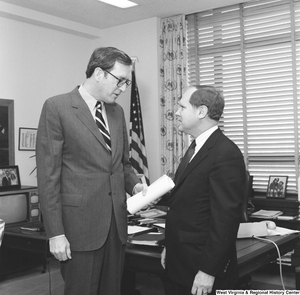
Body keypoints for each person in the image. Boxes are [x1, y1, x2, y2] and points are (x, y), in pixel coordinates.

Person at [36, 47, 147, 295]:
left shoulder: (117, 112)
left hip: (116, 228)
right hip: (79, 229)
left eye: (127, 82)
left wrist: (135, 186)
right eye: (121, 80)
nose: (123, 88)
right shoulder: (57, 107)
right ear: (99, 73)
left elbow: (122, 164)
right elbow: (48, 177)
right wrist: (55, 233)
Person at [161, 85, 246, 295]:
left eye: (182, 107)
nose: (176, 113)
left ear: (201, 112)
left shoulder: (225, 153)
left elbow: (224, 221)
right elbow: (185, 207)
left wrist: (209, 270)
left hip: (201, 268)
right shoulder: (195, 148)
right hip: (179, 260)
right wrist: (169, 247)